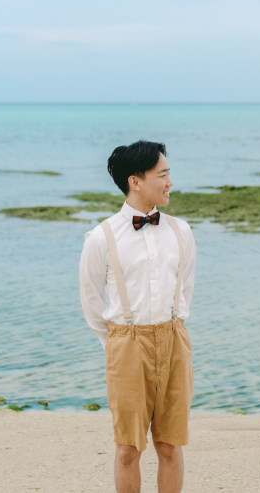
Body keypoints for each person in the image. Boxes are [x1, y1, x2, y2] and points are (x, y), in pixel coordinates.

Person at [79, 140, 196, 493]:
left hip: (174, 338)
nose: (169, 182)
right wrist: (119, 343)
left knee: (170, 444)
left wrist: (171, 329)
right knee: (128, 448)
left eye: (168, 173)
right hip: (126, 344)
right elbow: (92, 303)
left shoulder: (182, 231)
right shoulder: (101, 238)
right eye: (163, 174)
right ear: (136, 181)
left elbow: (186, 289)